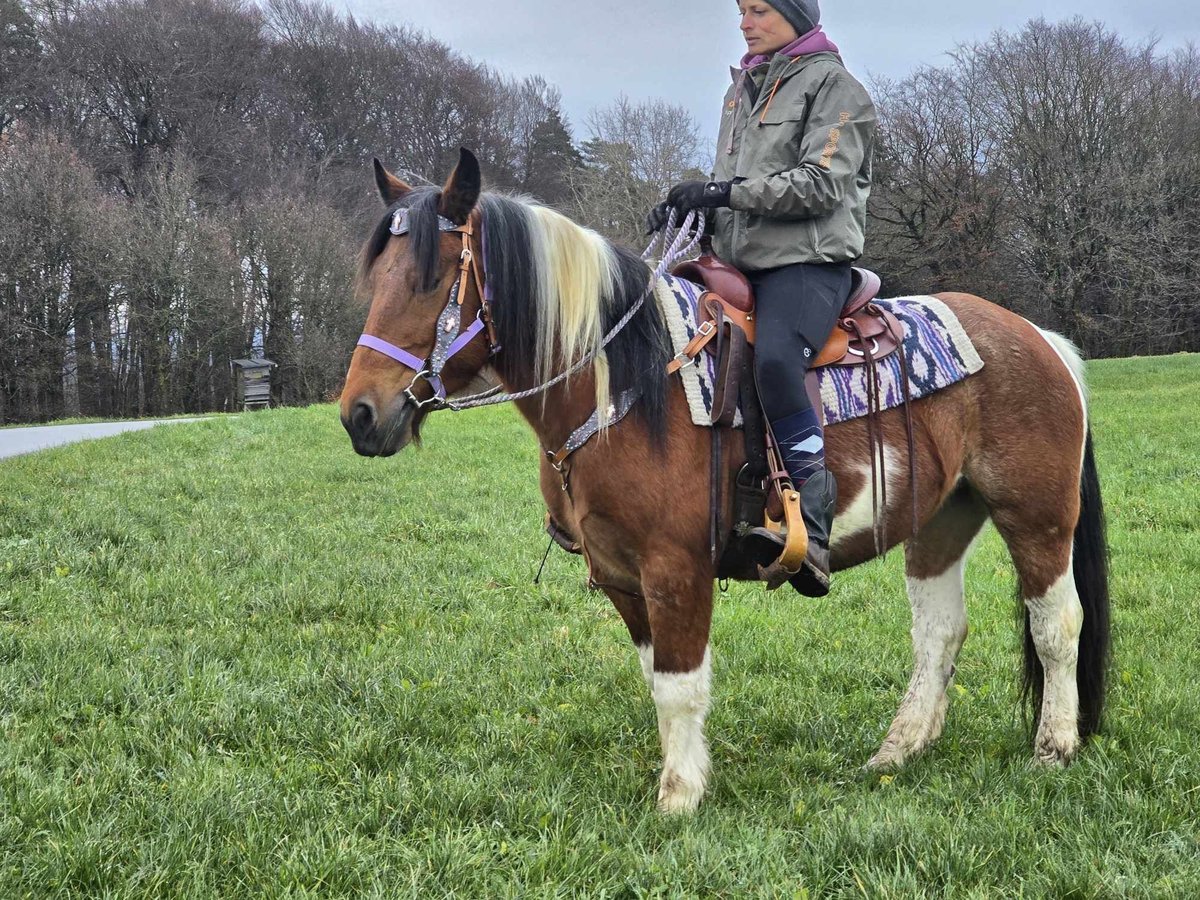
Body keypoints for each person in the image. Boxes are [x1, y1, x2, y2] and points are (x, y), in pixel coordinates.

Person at [647, 0, 877, 596]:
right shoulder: (742, 88)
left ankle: (813, 523)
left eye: (759, 10)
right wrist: (692, 205)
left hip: (807, 264)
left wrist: (723, 191)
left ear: (797, 16)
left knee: (776, 360)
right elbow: (739, 185)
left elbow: (823, 184)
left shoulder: (837, 87)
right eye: (741, 10)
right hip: (736, 263)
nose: (744, 22)